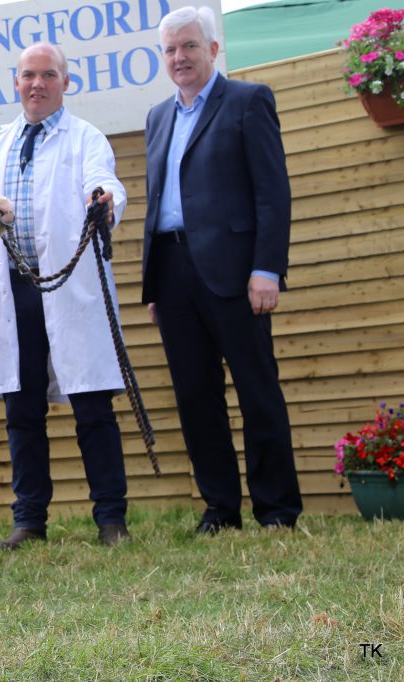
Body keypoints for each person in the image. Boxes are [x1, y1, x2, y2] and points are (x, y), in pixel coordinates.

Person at [0, 43, 131, 548]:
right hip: (14, 292)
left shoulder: (86, 139)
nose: (38, 84)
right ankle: (29, 520)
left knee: (92, 409)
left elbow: (105, 185)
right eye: (28, 76)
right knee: (22, 411)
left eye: (49, 75)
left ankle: (111, 519)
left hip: (69, 288)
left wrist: (105, 203)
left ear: (64, 82)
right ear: (16, 83)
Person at [141, 6, 303, 533]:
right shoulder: (157, 117)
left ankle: (277, 509)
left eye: (189, 46)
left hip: (236, 272)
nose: (179, 57)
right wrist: (153, 285)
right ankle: (220, 509)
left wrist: (267, 269)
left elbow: (272, 194)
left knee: (258, 389)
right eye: (169, 49)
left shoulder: (248, 101)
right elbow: (158, 201)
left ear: (213, 50)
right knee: (194, 396)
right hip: (172, 272)